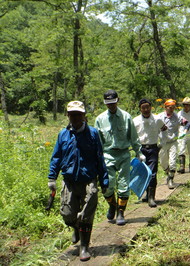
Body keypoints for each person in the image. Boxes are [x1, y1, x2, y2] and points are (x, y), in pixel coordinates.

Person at [47, 101, 109, 261]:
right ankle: (75, 227)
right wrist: (52, 177)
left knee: (87, 216)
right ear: (68, 115)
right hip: (69, 180)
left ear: (84, 116)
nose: (75, 118)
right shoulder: (63, 134)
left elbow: (99, 158)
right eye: (72, 114)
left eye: (78, 114)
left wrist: (104, 181)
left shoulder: (93, 133)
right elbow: (56, 156)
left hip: (89, 179)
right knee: (67, 214)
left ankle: (84, 247)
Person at [94, 90, 144, 226]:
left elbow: (134, 137)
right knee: (107, 185)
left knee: (123, 185)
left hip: (123, 154)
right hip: (107, 154)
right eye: (108, 104)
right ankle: (112, 206)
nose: (111, 106)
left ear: (118, 101)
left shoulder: (126, 117)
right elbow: (97, 142)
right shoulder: (100, 119)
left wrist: (139, 152)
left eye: (113, 103)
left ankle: (121, 213)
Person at [133, 99, 166, 207]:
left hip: (153, 149)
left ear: (151, 107)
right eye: (143, 108)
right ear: (140, 109)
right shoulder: (135, 121)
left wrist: (162, 142)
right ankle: (146, 194)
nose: (146, 110)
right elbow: (132, 136)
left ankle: (152, 198)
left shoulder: (157, 119)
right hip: (141, 149)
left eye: (148, 107)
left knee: (152, 173)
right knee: (142, 173)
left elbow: (164, 129)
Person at [158, 99, 190, 189]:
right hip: (163, 142)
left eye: (173, 107)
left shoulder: (177, 117)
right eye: (169, 107)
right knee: (163, 162)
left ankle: (171, 179)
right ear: (165, 107)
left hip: (173, 141)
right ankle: (168, 174)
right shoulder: (159, 117)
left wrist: (184, 132)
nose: (171, 109)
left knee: (172, 162)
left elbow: (187, 124)